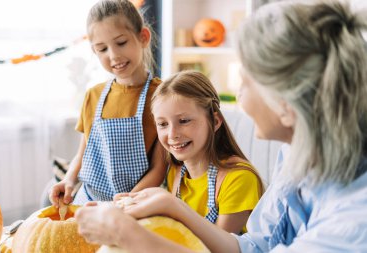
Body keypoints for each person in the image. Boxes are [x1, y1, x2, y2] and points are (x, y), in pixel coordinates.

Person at [75, 0, 367, 252]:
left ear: (285, 104)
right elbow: (253, 247)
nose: (239, 95)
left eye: (246, 82)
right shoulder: (295, 156)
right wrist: (170, 204)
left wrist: (126, 234)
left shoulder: (354, 222)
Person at [49, 0, 166, 206]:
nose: (113, 55)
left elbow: (159, 167)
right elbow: (82, 154)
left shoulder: (163, 95)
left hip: (135, 203)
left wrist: (124, 203)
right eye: (102, 49)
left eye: (121, 43)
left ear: (143, 37)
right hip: (89, 200)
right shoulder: (93, 95)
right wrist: (68, 180)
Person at [151, 70, 262, 234]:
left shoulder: (238, 178)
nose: (172, 134)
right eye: (163, 124)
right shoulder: (174, 172)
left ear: (215, 121)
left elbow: (219, 247)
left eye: (184, 121)